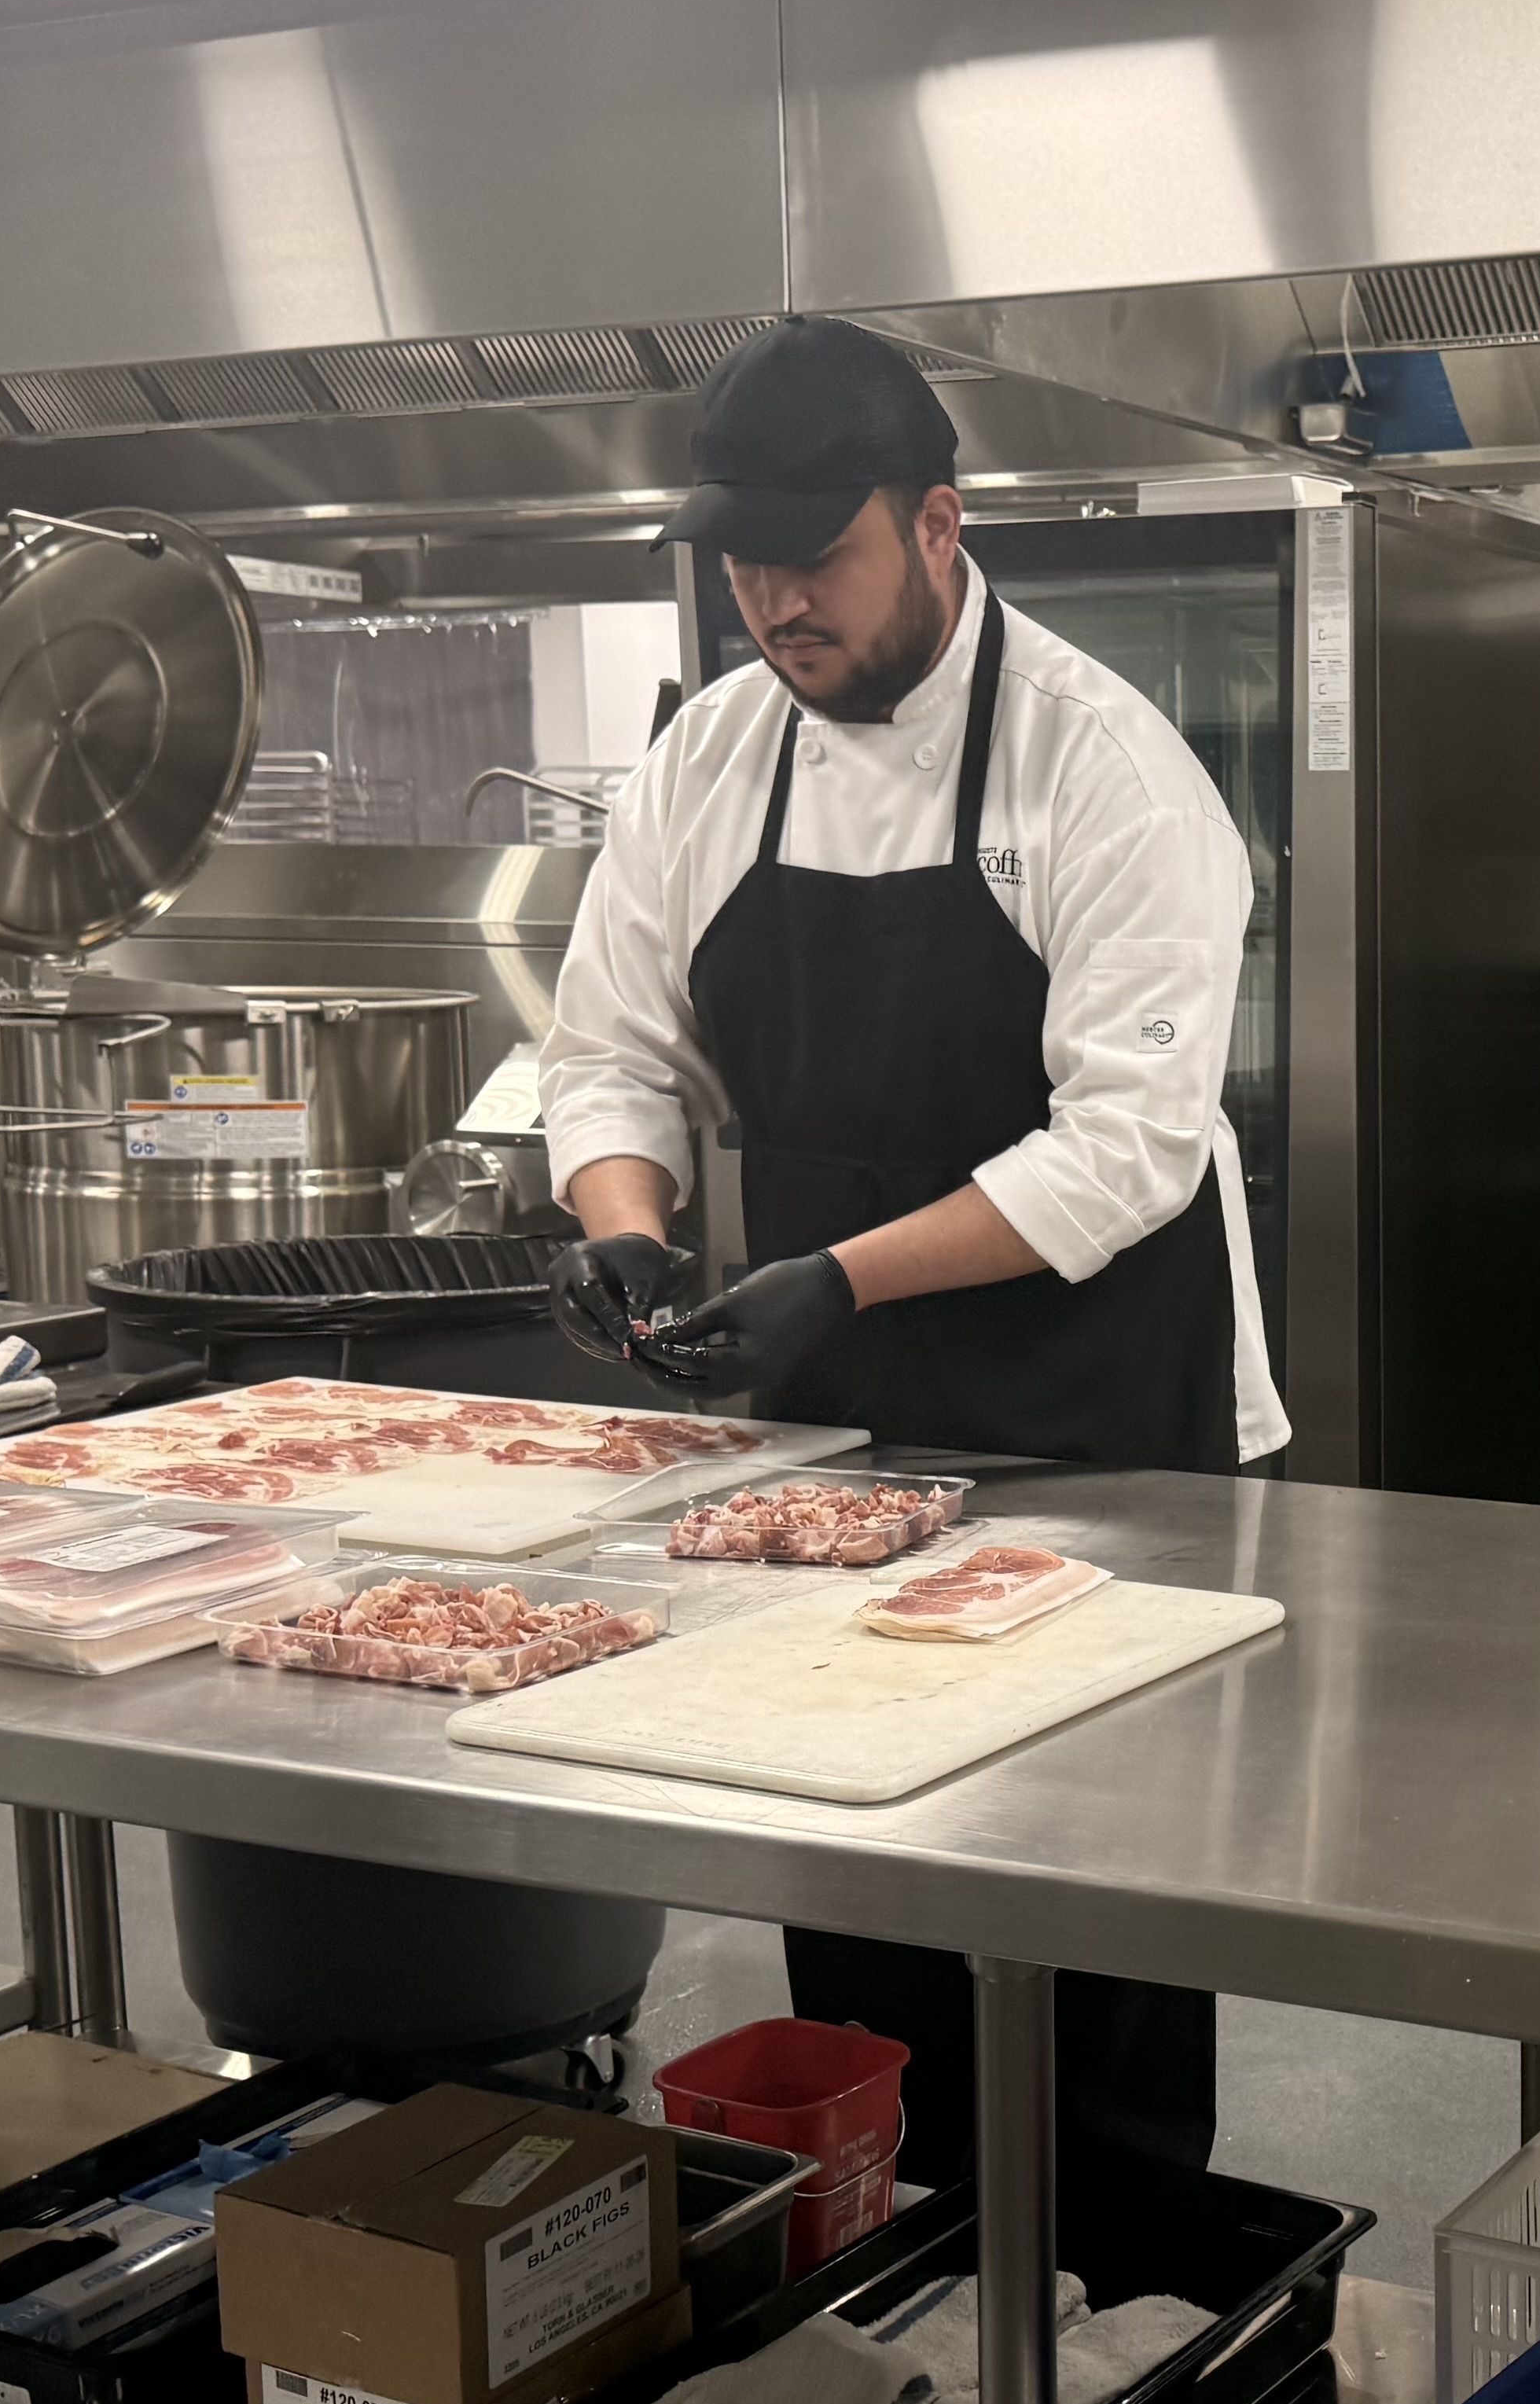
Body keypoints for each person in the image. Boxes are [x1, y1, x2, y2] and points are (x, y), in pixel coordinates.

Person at [532, 314, 1277, 2188]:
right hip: (839, 1439)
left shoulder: (1103, 770)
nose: (781, 606)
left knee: (1087, 1924)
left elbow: (1128, 1152)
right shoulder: (711, 762)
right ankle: (879, 2316)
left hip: (1107, 1428)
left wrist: (839, 1276)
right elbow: (610, 1051)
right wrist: (627, 1230)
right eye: (748, 569)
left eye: (823, 559)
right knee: (856, 1888)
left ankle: (1116, 2337)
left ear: (940, 526)